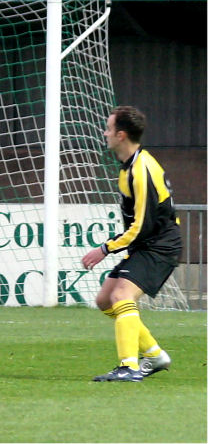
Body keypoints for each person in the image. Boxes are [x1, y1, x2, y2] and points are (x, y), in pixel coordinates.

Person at [81, 105, 181, 382]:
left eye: (109, 128)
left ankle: (129, 366)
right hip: (148, 243)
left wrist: (104, 249)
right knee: (104, 300)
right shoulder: (130, 167)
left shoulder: (141, 170)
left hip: (160, 244)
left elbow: (141, 227)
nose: (105, 133)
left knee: (121, 297)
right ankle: (154, 354)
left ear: (121, 135)